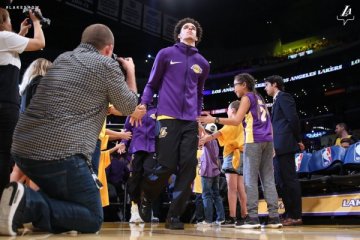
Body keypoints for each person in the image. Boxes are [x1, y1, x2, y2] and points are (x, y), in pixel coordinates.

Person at [0, 23, 144, 236]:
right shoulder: (106, 65)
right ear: (109, 49)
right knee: (92, 217)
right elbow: (130, 106)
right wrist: (130, 72)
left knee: (66, 204)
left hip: (22, 150)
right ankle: (27, 203)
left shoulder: (63, 59)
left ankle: (26, 209)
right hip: (61, 152)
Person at [137, 17, 210, 230]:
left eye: (193, 28)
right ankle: (146, 194)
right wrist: (143, 104)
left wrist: (197, 119)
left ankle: (174, 216)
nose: (190, 28)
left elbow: (198, 94)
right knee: (166, 165)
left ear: (197, 36)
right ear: (179, 34)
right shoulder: (166, 54)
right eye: (186, 27)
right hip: (167, 117)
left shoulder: (203, 64)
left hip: (189, 121)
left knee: (189, 167)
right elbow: (152, 83)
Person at [199, 73, 282, 229]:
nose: (234, 88)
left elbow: (236, 120)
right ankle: (274, 218)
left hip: (253, 140)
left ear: (244, 84)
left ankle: (252, 218)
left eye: (235, 84)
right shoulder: (260, 98)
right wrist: (272, 144)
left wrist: (214, 119)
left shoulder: (247, 98)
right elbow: (269, 121)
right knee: (268, 180)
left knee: (249, 181)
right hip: (268, 141)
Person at [0, 6, 45, 195]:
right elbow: (40, 43)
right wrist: (36, 21)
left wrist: (20, 33)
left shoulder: (6, 41)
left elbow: (8, 50)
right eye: (9, 20)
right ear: (3, 22)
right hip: (5, 103)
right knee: (4, 155)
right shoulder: (3, 37)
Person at [200, 101, 247, 227]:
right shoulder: (241, 123)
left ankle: (232, 217)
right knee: (241, 188)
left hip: (232, 156)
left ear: (232, 110)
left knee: (232, 189)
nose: (227, 111)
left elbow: (218, 134)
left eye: (228, 109)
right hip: (242, 155)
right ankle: (245, 215)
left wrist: (206, 138)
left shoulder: (232, 122)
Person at [264, 75, 303, 226]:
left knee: (289, 180)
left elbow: (293, 118)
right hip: (277, 147)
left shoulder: (284, 97)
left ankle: (296, 215)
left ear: (275, 84)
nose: (265, 88)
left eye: (267, 84)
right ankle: (288, 213)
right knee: (281, 182)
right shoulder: (275, 101)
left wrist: (298, 139)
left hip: (285, 145)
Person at [10, 58, 52, 190]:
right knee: (38, 174)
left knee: (18, 171)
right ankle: (35, 207)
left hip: (22, 135)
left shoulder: (25, 88)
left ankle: (6, 204)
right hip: (37, 136)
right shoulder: (41, 82)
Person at [120, 104, 157, 223]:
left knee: (150, 174)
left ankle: (147, 207)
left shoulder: (158, 111)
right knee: (135, 179)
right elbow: (127, 129)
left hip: (152, 148)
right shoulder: (134, 110)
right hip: (137, 147)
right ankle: (134, 209)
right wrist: (123, 142)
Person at [197, 123, 225, 226]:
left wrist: (198, 123)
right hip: (215, 172)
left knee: (206, 196)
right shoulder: (215, 142)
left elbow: (203, 132)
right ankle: (221, 218)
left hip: (207, 172)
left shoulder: (207, 140)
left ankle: (208, 220)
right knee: (216, 195)